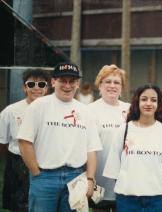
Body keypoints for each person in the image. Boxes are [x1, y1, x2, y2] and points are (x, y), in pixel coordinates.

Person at [17, 62, 102, 212]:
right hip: (45, 177)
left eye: (72, 81)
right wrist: (36, 172)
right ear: (53, 81)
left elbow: (91, 149)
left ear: (78, 83)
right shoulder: (38, 106)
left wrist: (90, 179)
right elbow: (24, 141)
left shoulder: (86, 112)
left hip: (75, 178)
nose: (67, 86)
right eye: (63, 81)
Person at [103, 84, 162, 212]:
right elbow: (114, 168)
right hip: (127, 201)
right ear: (137, 102)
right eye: (144, 99)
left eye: (153, 100)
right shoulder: (123, 130)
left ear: (159, 104)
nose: (148, 103)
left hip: (156, 201)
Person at [0, 69, 49, 212]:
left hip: (45, 163)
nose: (36, 88)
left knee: (44, 205)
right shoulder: (10, 111)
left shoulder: (54, 110)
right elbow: (2, 141)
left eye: (41, 84)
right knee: (19, 206)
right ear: (24, 87)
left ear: (46, 88)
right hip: (17, 164)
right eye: (31, 84)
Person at [88, 64, 130, 212]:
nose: (112, 85)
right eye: (108, 81)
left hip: (125, 183)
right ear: (99, 85)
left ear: (122, 87)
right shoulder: (89, 111)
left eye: (117, 82)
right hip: (99, 181)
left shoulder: (131, 110)